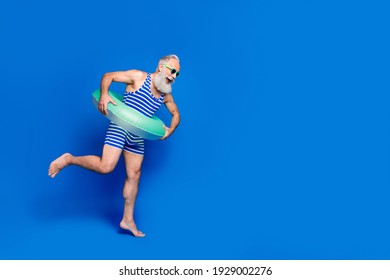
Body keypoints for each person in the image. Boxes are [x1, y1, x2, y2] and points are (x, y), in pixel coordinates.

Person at [48, 54, 181, 237]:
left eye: (177, 74)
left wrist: (170, 130)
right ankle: (69, 159)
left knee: (134, 176)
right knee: (106, 166)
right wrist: (104, 95)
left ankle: (127, 220)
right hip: (120, 127)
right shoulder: (138, 77)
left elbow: (176, 114)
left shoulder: (165, 95)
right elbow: (108, 76)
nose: (174, 76)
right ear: (160, 66)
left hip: (137, 136)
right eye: (172, 70)